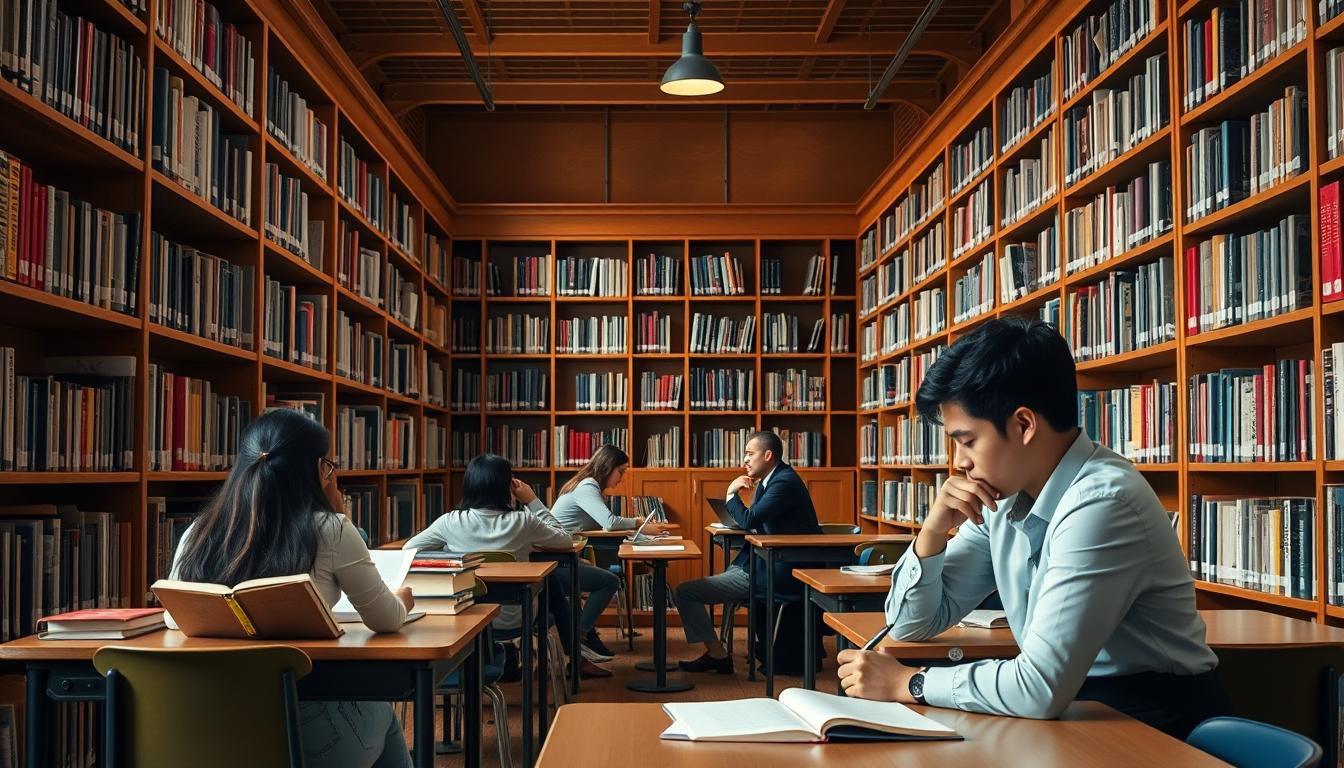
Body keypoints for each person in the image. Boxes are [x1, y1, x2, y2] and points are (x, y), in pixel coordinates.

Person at [836, 317, 1232, 739]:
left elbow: (1038, 686)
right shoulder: (1001, 498)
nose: (959, 463)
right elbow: (911, 626)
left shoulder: (1102, 502)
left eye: (967, 441)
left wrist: (908, 683)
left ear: (1024, 425)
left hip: (1148, 722)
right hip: (1067, 709)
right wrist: (932, 534)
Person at [167, 409, 414, 768]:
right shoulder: (330, 529)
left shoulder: (199, 532)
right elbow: (387, 620)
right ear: (317, 470)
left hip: (210, 730)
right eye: (328, 465)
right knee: (383, 713)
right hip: (309, 735)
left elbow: (176, 620)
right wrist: (401, 598)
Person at [402, 453, 612, 679]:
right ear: (508, 487)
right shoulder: (523, 521)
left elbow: (409, 550)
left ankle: (509, 659)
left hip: (465, 615)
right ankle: (575, 656)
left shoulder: (450, 522)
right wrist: (532, 500)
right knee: (551, 584)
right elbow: (565, 539)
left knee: (546, 583)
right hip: (515, 617)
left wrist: (452, 554)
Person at [674, 431, 821, 674]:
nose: (745, 460)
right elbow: (755, 522)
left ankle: (717, 654)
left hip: (774, 570)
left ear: (768, 455)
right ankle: (717, 652)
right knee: (708, 580)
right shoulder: (771, 480)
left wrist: (731, 493)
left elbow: (750, 518)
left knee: (685, 592)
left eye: (750, 454)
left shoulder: (783, 482)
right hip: (758, 561)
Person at [550, 445, 639, 661]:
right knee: (609, 581)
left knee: (593, 572)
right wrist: (638, 523)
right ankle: (578, 637)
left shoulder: (586, 486)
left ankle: (584, 635)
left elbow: (601, 525)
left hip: (561, 558)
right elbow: (609, 523)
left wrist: (640, 531)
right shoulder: (588, 486)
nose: (622, 478)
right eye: (621, 471)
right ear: (608, 468)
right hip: (554, 563)